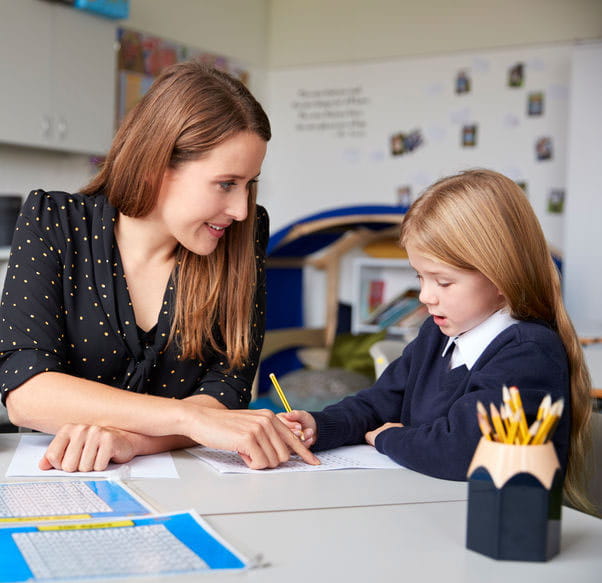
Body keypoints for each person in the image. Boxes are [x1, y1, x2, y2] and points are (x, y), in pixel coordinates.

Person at [0, 60, 318, 472]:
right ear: (157, 167)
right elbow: (28, 392)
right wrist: (188, 417)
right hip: (61, 476)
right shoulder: (53, 222)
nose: (241, 209)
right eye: (226, 183)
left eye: (250, 184)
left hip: (190, 478)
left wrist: (131, 441)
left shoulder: (245, 234)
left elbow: (227, 388)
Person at [281, 169, 592, 512]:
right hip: (426, 509)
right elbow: (378, 403)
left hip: (490, 525)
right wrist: (319, 426)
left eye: (443, 282)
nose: (426, 296)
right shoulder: (437, 333)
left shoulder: (526, 351)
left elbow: (462, 449)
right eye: (420, 277)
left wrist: (386, 438)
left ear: (503, 276)